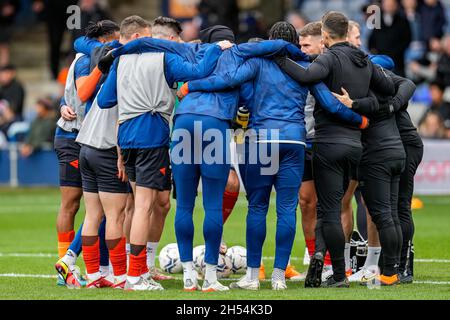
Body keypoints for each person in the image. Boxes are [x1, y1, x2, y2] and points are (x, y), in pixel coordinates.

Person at [179, 21, 367, 290]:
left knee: (257, 207)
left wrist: (192, 86)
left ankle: (253, 277)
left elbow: (229, 81)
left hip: (260, 140)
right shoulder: (305, 67)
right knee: (287, 208)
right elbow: (328, 103)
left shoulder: (257, 64)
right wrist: (359, 119)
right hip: (293, 140)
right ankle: (279, 276)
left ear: (271, 41)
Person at [96, 15, 231, 291]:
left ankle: (129, 273)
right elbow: (199, 71)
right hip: (150, 133)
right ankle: (136, 276)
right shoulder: (163, 59)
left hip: (126, 136)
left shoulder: (121, 61)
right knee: (146, 205)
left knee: (136, 205)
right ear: (142, 37)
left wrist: (129, 88)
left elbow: (104, 99)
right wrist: (218, 48)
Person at [275, 11, 395, 288]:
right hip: (356, 145)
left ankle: (338, 273)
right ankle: (388, 269)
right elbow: (387, 88)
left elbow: (307, 77)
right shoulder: (363, 59)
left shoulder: (329, 57)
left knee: (329, 210)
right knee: (352, 206)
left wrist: (281, 58)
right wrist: (359, 104)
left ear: (326, 36)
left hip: (328, 142)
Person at [333, 64, 416, 286]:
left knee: (383, 216)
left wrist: (352, 104)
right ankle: (393, 270)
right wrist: (392, 105)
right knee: (393, 213)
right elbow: (406, 84)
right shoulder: (384, 84)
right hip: (396, 151)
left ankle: (389, 272)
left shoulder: (359, 85)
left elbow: (368, 105)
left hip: (377, 155)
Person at [53, 20, 120, 288]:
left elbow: (69, 95)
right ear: (105, 41)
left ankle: (90, 265)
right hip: (73, 136)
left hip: (84, 136)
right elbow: (81, 94)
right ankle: (65, 264)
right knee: (74, 203)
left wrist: (62, 103)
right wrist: (63, 105)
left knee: (98, 207)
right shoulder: (86, 60)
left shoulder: (89, 55)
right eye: (115, 40)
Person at [368, 0, 412, 76]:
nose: (389, 7)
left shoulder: (403, 21)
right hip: (380, 62)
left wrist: (393, 54)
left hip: (397, 62)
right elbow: (372, 40)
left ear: (396, 6)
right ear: (383, 5)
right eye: (387, 4)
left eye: (391, 5)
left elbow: (407, 40)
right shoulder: (377, 21)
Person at [0, 0, 20, 66]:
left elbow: (17, 4)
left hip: (6, 21)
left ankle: (3, 68)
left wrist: (12, 7)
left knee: (4, 45)